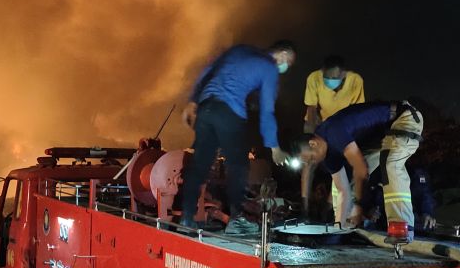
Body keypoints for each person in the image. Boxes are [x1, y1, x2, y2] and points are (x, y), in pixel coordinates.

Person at [179, 41, 296, 228]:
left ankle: (186, 217)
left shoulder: (239, 50)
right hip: (229, 111)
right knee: (238, 165)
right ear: (282, 54)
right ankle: (237, 220)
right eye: (288, 62)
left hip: (206, 107)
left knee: (200, 164)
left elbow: (208, 69)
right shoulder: (269, 68)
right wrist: (274, 147)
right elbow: (267, 111)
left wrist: (193, 101)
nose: (286, 66)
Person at [296, 100, 424, 238]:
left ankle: (402, 228)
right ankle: (344, 228)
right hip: (380, 136)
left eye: (310, 158)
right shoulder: (327, 155)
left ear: (313, 143)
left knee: (390, 164)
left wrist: (358, 206)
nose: (311, 163)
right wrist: (337, 229)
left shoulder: (334, 131)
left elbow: (361, 170)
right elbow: (342, 190)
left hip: (403, 118)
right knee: (349, 178)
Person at [302, 54, 366, 223]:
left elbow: (358, 111)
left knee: (339, 170)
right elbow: (311, 110)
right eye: (327, 77)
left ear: (343, 74)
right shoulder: (314, 78)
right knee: (308, 164)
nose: (330, 80)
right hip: (321, 127)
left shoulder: (355, 81)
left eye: (335, 77)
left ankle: (331, 209)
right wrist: (311, 136)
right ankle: (305, 208)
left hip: (343, 129)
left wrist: (350, 140)